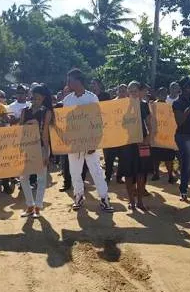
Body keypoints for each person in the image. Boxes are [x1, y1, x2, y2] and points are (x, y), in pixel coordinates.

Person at [63, 69, 115, 212]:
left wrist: (94, 142)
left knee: (96, 171)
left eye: (70, 80)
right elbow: (64, 124)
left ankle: (104, 198)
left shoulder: (92, 98)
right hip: (74, 144)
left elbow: (97, 122)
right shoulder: (67, 100)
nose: (67, 83)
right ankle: (78, 197)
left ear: (78, 81)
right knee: (75, 171)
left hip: (90, 142)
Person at [19, 85, 53, 219]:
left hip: (40, 147)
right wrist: (27, 125)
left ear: (43, 98)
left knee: (41, 178)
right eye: (33, 98)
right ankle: (29, 205)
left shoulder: (47, 112)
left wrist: (45, 152)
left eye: (38, 98)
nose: (35, 101)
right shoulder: (24, 111)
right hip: (26, 148)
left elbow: (45, 134)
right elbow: (20, 130)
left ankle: (38, 207)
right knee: (23, 177)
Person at [119, 82, 153, 211]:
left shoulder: (144, 105)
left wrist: (147, 139)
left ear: (139, 92)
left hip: (142, 143)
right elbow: (120, 125)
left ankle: (140, 201)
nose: (133, 93)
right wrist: (128, 109)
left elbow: (149, 124)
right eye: (130, 91)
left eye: (135, 91)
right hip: (127, 143)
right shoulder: (123, 106)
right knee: (128, 173)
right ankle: (131, 201)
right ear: (128, 92)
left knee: (141, 172)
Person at [151, 87, 176, 183]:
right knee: (155, 157)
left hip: (167, 137)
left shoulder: (169, 106)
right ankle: (156, 173)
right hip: (156, 135)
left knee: (169, 157)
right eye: (161, 93)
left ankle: (170, 175)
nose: (163, 95)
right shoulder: (152, 105)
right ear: (157, 94)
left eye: (165, 93)